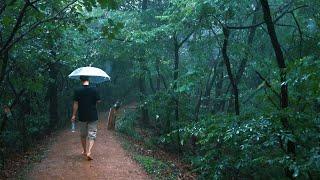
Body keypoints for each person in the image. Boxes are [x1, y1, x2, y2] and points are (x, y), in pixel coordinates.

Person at [71, 75, 101, 160]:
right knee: (92, 134)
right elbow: (98, 101)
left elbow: (75, 104)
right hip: (93, 115)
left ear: (81, 80)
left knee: (83, 135)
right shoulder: (95, 89)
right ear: (89, 79)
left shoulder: (77, 90)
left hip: (82, 115)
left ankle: (84, 151)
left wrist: (73, 115)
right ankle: (89, 151)